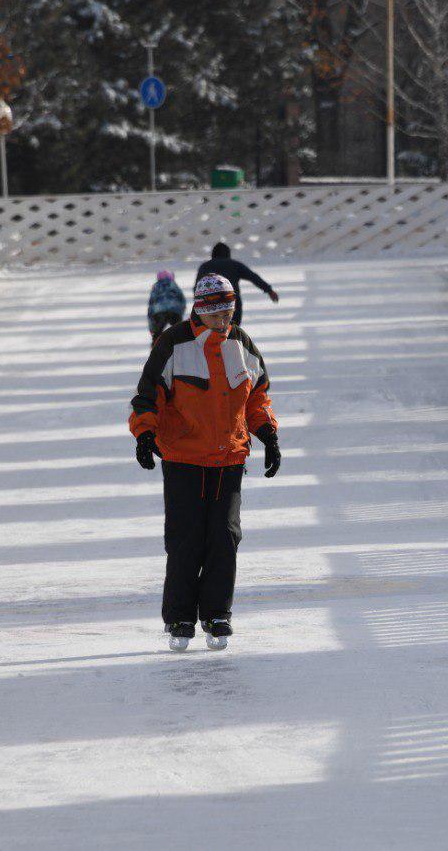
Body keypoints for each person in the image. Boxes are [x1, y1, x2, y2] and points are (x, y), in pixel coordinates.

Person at [128, 273, 282, 652]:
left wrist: (268, 434)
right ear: (200, 308)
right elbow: (148, 395)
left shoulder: (241, 342)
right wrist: (145, 435)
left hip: (229, 457)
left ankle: (217, 615)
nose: (223, 319)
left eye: (228, 311)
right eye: (216, 312)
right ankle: (180, 618)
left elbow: (257, 395)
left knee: (224, 539)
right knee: (185, 540)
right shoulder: (174, 343)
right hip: (183, 459)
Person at [196, 242, 279, 326]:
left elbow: (197, 286)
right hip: (232, 302)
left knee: (212, 332)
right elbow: (253, 277)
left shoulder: (205, 266)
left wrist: (199, 303)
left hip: (210, 303)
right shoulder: (235, 265)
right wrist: (269, 290)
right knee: (233, 330)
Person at [146, 269, 186, 344]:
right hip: (174, 310)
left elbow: (151, 304)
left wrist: (152, 328)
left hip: (159, 311)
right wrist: (180, 313)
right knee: (178, 332)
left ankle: (156, 350)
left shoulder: (156, 287)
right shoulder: (174, 285)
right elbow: (182, 300)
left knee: (157, 334)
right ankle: (180, 347)